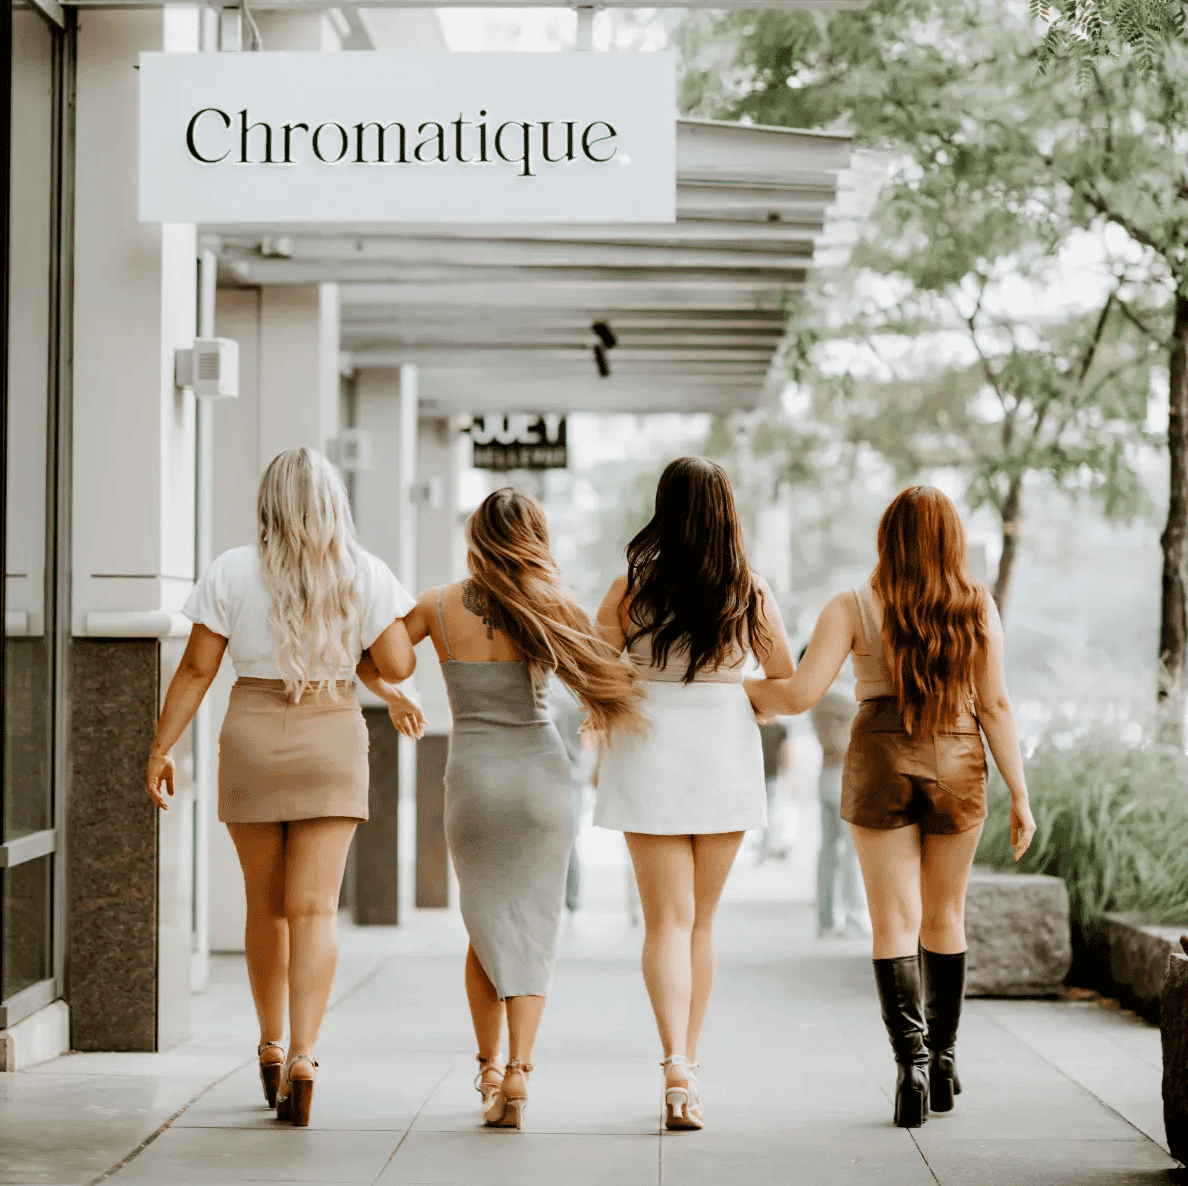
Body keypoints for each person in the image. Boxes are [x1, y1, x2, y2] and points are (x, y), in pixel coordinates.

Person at [144, 447, 425, 1128]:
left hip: (252, 736)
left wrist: (159, 749)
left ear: (268, 504)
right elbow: (397, 659)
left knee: (265, 908)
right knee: (315, 911)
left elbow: (194, 672)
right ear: (334, 504)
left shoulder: (232, 570)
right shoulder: (363, 571)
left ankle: (269, 1047)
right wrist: (377, 664)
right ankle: (304, 1055)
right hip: (331, 738)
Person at [745, 486, 1036, 1129]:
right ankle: (945, 1060)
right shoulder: (976, 606)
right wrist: (1019, 792)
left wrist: (718, 691)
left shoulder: (851, 605)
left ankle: (911, 1070)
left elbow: (796, 695)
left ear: (888, 539)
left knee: (892, 923)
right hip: (958, 755)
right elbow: (995, 706)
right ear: (951, 541)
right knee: (945, 916)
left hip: (878, 754)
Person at [400, 488, 642, 1131]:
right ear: (534, 535)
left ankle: (484, 1068)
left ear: (475, 535)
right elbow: (604, 675)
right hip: (539, 777)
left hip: (473, 778)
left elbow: (383, 659)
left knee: (484, 926)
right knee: (532, 929)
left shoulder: (436, 605)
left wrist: (387, 692)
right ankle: (518, 1073)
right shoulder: (551, 605)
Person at [594, 457, 794, 1131]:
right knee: (701, 923)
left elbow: (597, 668)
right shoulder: (749, 590)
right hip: (723, 750)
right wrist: (743, 699)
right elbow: (785, 674)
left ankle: (674, 1061)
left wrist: (633, 690)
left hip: (650, 747)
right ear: (725, 510)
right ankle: (692, 1070)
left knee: (665, 923)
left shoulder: (632, 587)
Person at [807, 658, 867, 937]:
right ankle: (854, 919)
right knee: (853, 853)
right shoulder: (834, 696)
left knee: (828, 852)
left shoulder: (815, 697)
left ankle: (826, 920)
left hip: (828, 775)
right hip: (845, 776)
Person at [757, 720, 791, 862]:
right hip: (755, 777)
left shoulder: (781, 728)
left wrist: (788, 775)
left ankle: (766, 849)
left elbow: (785, 752)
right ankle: (765, 849)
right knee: (766, 813)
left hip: (771, 776)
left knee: (769, 813)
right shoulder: (756, 725)